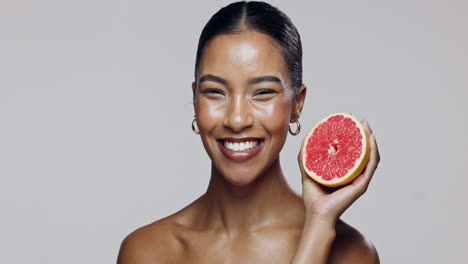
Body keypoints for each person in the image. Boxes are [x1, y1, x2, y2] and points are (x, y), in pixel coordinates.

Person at [117, 1, 380, 263]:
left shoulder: (351, 254)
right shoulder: (147, 251)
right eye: (215, 92)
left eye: (263, 93)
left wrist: (319, 224)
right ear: (195, 99)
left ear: (297, 104)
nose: (237, 119)